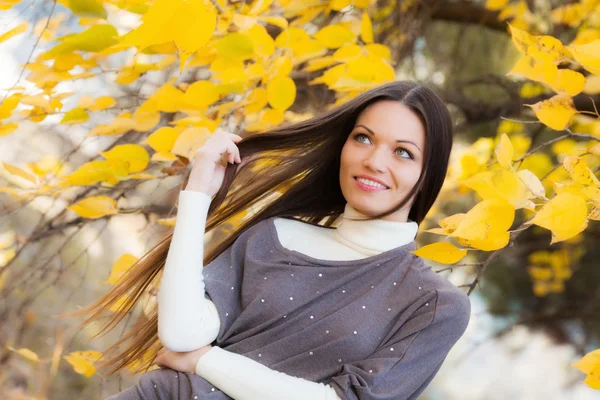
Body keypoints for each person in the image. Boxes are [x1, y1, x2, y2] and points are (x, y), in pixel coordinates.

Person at [70, 81, 471, 400]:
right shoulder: (275, 236)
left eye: (403, 152)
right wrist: (197, 197)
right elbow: (180, 334)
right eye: (364, 138)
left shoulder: (433, 304)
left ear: (427, 173)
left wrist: (207, 361)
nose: (374, 161)